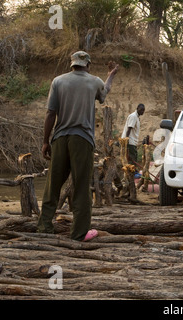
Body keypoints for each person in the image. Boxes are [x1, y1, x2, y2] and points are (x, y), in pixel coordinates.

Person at [37, 51, 118, 242]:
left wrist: (45, 141)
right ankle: (79, 233)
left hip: (60, 138)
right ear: (88, 65)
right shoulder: (94, 81)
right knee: (81, 187)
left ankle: (44, 227)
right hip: (82, 140)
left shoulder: (58, 81)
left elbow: (50, 113)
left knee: (52, 185)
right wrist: (111, 75)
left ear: (72, 64)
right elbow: (104, 94)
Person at [121, 103, 145, 174]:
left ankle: (133, 172)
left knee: (133, 157)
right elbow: (129, 129)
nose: (142, 112)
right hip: (130, 141)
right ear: (137, 108)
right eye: (141, 110)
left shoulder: (136, 117)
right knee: (132, 158)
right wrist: (127, 140)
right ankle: (132, 174)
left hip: (132, 141)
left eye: (143, 110)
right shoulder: (133, 116)